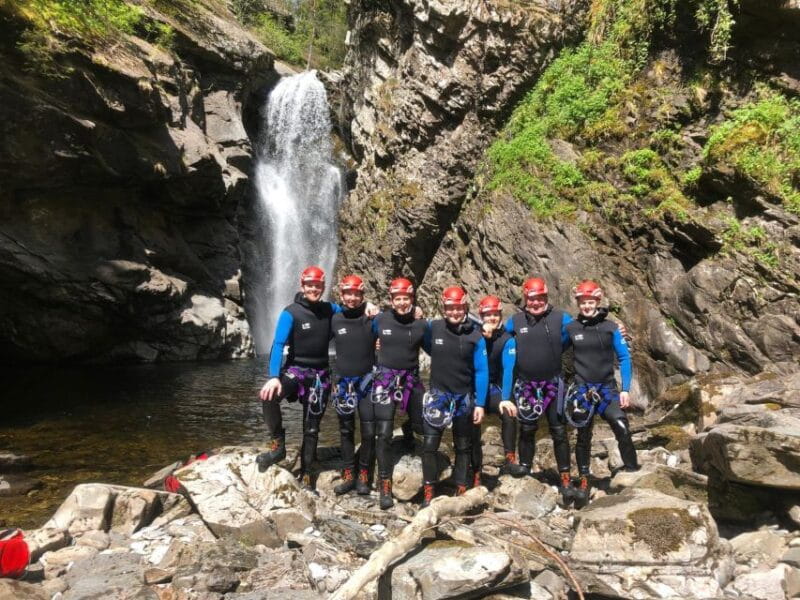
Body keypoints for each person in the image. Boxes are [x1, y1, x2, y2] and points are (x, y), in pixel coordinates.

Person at [257, 266, 375, 489]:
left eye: (318, 286)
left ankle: (308, 473)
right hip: (295, 371)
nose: (314, 289)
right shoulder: (290, 312)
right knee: (268, 397)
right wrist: (273, 376)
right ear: (302, 286)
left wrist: (368, 305)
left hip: (320, 376)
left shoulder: (329, 309)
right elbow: (278, 344)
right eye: (310, 285)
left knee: (311, 428)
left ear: (323, 287)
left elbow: (351, 307)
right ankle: (277, 445)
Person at [564, 280, 638, 507]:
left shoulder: (611, 328)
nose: (586, 306)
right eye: (583, 302)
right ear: (578, 303)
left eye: (590, 302)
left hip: (607, 390)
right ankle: (584, 478)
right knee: (583, 435)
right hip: (582, 391)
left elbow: (624, 358)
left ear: (597, 301)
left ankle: (632, 469)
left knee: (621, 425)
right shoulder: (572, 328)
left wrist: (625, 390)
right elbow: (551, 347)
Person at [504, 278, 574, 502]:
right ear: (525, 299)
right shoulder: (515, 321)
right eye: (531, 299)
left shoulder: (561, 318)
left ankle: (565, 477)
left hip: (553, 383)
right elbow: (498, 339)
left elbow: (583, 330)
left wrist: (615, 329)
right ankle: (525, 466)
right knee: (527, 427)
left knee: (559, 430)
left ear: (546, 297)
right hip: (526, 384)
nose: (536, 303)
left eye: (540, 298)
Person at [422, 286, 488, 507]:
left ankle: (460, 487)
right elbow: (413, 337)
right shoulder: (434, 327)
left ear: (465, 307)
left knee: (463, 446)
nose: (454, 312)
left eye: (458, 308)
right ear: (444, 308)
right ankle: (429, 492)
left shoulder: (475, 336)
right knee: (430, 445)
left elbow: (481, 371)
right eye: (450, 308)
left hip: (463, 398)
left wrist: (480, 404)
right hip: (438, 397)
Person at [367, 277, 429, 509]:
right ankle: (385, 483)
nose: (402, 303)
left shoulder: (422, 325)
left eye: (406, 298)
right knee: (382, 432)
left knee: (424, 425)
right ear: (391, 300)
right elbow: (362, 333)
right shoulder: (380, 319)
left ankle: (410, 428)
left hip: (411, 378)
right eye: (398, 299)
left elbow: (439, 347)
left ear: (412, 299)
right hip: (384, 378)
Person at [329, 275, 377, 496]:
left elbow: (396, 321)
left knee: (368, 431)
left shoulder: (372, 318)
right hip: (343, 383)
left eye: (356, 294)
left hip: (367, 381)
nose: (352, 298)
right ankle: (348, 474)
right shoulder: (335, 318)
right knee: (346, 430)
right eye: (348, 293)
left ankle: (364, 475)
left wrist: (417, 312)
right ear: (341, 295)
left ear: (362, 295)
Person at [471, 295, 526, 484]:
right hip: (474, 389)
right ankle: (474, 470)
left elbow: (509, 370)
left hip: (494, 389)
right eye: (487, 315)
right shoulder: (473, 333)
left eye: (495, 314)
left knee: (509, 413)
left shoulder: (507, 339)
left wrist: (505, 398)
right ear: (481, 316)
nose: (492, 318)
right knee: (471, 421)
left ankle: (510, 458)